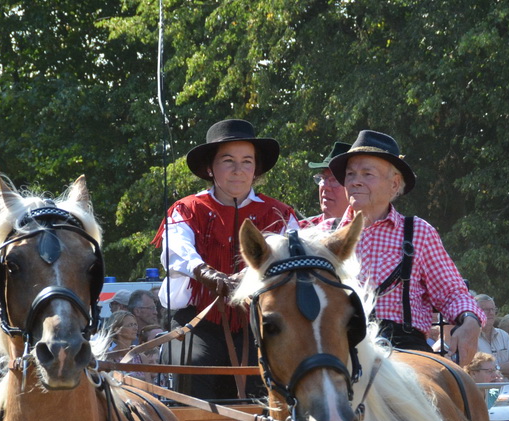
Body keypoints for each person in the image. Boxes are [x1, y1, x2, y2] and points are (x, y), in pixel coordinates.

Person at [155, 118, 300, 399]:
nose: (238, 169)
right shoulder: (186, 209)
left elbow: (290, 255)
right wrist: (205, 273)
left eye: (247, 161)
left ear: (256, 168)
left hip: (259, 322)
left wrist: (251, 277)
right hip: (198, 320)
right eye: (228, 160)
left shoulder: (280, 214)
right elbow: (176, 250)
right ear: (211, 167)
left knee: (274, 381)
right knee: (190, 366)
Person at [329, 130, 481, 359]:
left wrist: (470, 319)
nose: (355, 181)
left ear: (394, 184)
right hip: (338, 349)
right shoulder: (323, 235)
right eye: (350, 174)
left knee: (449, 390)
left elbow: (451, 293)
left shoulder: (417, 232)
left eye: (367, 174)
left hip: (404, 350)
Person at [299, 141, 352, 230]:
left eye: (334, 180)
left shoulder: (367, 234)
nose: (324, 186)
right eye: (322, 178)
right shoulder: (301, 230)